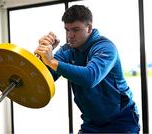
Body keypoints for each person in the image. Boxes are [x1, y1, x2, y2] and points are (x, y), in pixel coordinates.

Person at [34, 5, 140, 133]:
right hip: (91, 122)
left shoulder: (105, 47)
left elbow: (90, 78)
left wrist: (51, 60)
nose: (70, 35)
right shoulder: (67, 50)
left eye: (76, 30)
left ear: (89, 28)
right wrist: (41, 57)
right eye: (67, 30)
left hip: (121, 120)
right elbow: (46, 76)